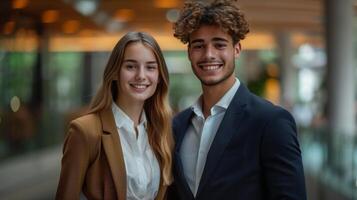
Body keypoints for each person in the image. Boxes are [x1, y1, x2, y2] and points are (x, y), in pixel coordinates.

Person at [168, 0, 307, 199]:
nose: (209, 54)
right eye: (199, 45)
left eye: (219, 44)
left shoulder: (271, 122)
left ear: (237, 49)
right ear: (189, 52)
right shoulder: (178, 126)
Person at [56, 32, 174, 200]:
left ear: (159, 76)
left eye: (150, 67)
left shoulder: (162, 130)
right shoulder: (85, 131)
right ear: (114, 73)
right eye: (131, 66)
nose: (141, 75)